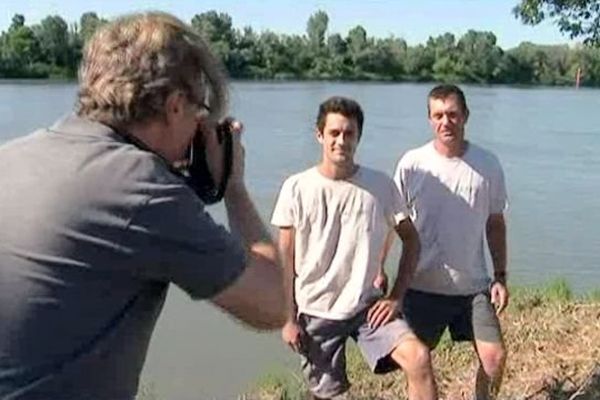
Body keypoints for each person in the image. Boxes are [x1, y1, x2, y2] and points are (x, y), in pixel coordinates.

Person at [0, 12, 285, 400]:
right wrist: (234, 186)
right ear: (175, 106)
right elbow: (273, 304)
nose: (201, 129)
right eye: (201, 111)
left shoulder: (14, 156)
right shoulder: (143, 188)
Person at [271, 96, 438, 400]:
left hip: (367, 308)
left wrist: (396, 296)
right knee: (329, 395)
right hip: (315, 311)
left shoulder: (382, 186)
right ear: (319, 135)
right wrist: (288, 318)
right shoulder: (296, 188)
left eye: (349, 133)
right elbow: (286, 258)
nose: (341, 141)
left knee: (419, 359)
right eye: (334, 133)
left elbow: (411, 240)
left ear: (358, 137)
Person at [393, 84, 509, 400]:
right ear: (430, 119)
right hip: (420, 287)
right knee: (417, 365)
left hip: (472, 289)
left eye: (453, 114)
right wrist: (383, 278)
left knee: (495, 359)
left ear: (466, 116)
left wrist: (500, 276)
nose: (446, 122)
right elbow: (392, 224)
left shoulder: (488, 165)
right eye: (438, 115)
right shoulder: (411, 164)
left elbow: (495, 222)